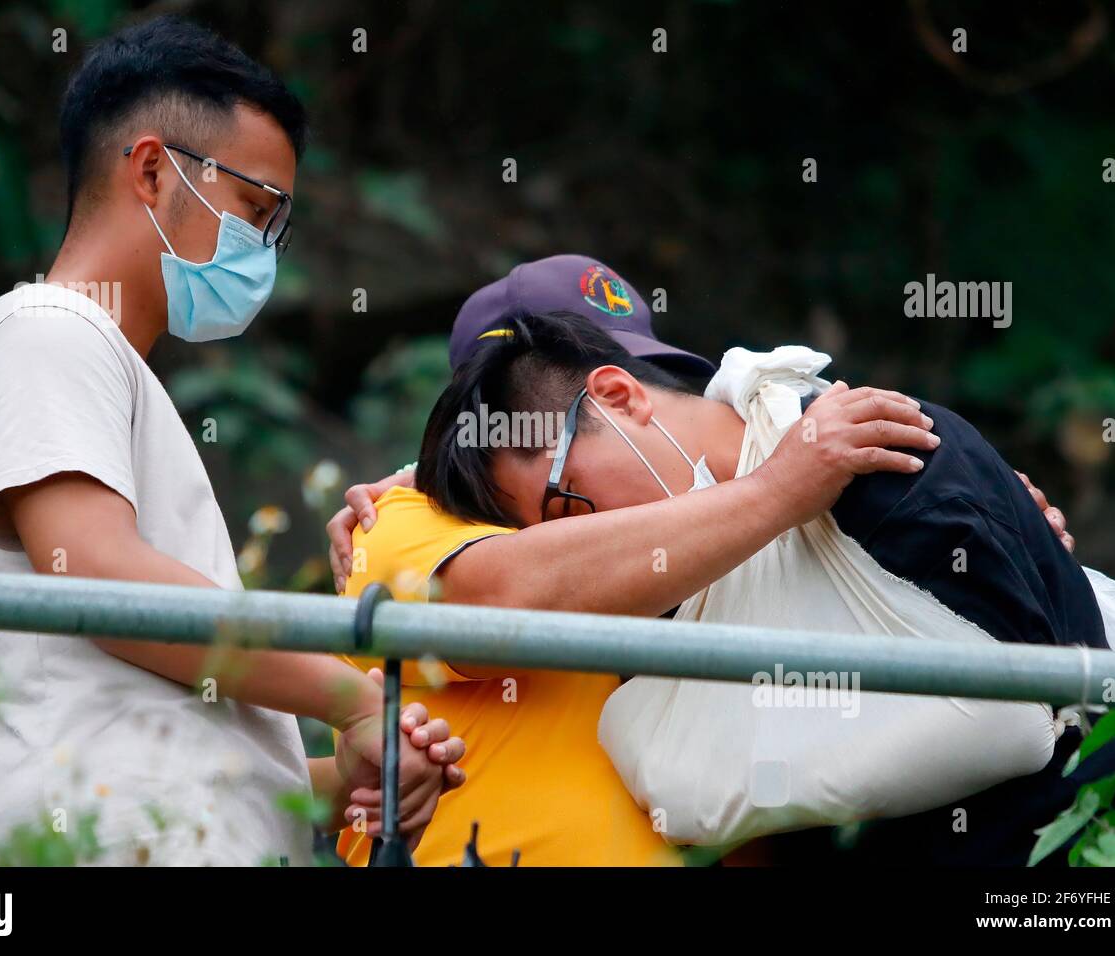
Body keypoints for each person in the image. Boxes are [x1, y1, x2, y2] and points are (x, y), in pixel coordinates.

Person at [327, 255, 1070, 865]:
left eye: (653, 378)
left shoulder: (813, 493)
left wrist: (1003, 516)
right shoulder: (403, 521)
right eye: (559, 518)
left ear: (627, 391)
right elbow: (503, 597)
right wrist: (782, 488)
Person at [0, 16, 462, 867]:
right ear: (151, 169)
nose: (263, 251)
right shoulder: (44, 330)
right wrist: (352, 695)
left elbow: (187, 738)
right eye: (255, 210)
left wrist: (345, 778)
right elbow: (102, 584)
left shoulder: (114, 373)